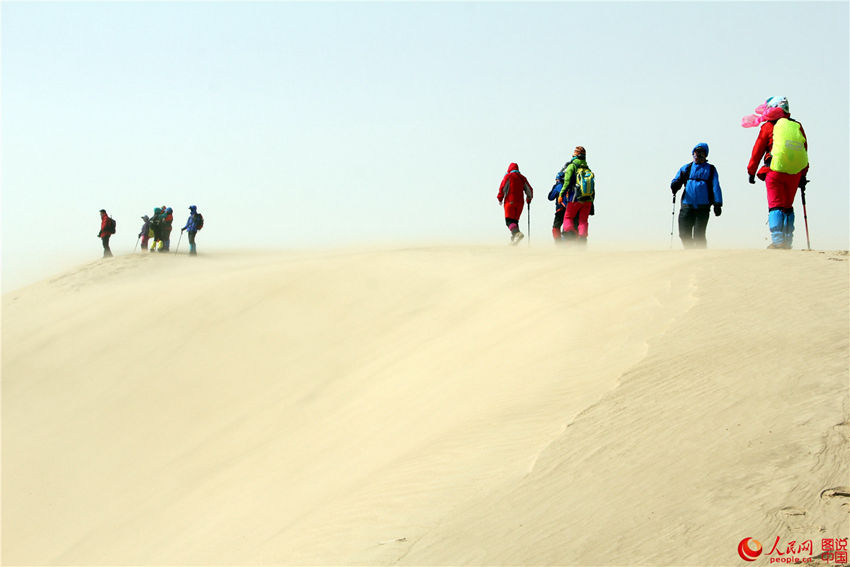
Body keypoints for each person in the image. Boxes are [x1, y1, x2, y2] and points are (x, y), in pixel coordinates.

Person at [743, 96, 809, 249]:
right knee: (788, 206)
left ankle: (778, 242)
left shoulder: (768, 126)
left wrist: (751, 171)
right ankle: (788, 241)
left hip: (774, 171)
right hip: (795, 173)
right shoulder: (797, 125)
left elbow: (758, 150)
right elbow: (804, 149)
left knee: (775, 206)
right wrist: (803, 174)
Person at [670, 142, 723, 248]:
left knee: (699, 235)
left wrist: (718, 204)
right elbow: (676, 180)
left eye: (701, 153)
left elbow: (715, 186)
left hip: (703, 208)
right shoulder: (686, 168)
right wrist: (674, 185)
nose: (697, 155)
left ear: (705, 155)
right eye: (696, 153)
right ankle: (689, 252)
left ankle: (700, 255)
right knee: (683, 234)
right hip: (687, 206)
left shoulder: (711, 169)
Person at [557, 146, 595, 244]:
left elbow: (567, 182)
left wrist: (561, 194)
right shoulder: (587, 168)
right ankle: (582, 240)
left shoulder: (572, 166)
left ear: (575, 155)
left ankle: (570, 235)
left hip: (575, 198)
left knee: (568, 217)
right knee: (583, 221)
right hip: (588, 199)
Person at [497, 163, 533, 245]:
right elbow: (529, 190)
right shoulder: (522, 178)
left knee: (509, 221)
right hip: (520, 203)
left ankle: (517, 233)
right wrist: (529, 199)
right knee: (515, 221)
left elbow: (502, 188)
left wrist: (500, 198)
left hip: (510, 201)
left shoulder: (508, 176)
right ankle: (513, 241)